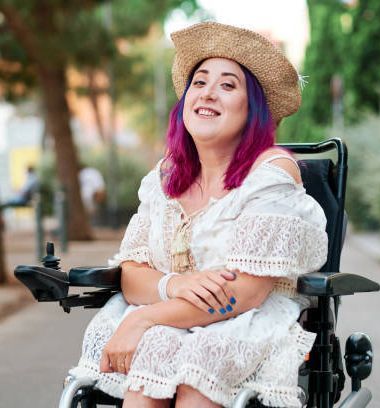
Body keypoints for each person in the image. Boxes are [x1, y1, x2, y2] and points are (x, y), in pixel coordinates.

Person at [70, 22, 328, 408]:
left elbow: (244, 292)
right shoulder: (165, 177)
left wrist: (143, 319)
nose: (208, 93)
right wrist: (172, 285)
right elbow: (133, 273)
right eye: (200, 82)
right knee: (155, 346)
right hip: (171, 317)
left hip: (245, 322)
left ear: (252, 107)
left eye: (228, 85)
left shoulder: (271, 173)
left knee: (194, 368)